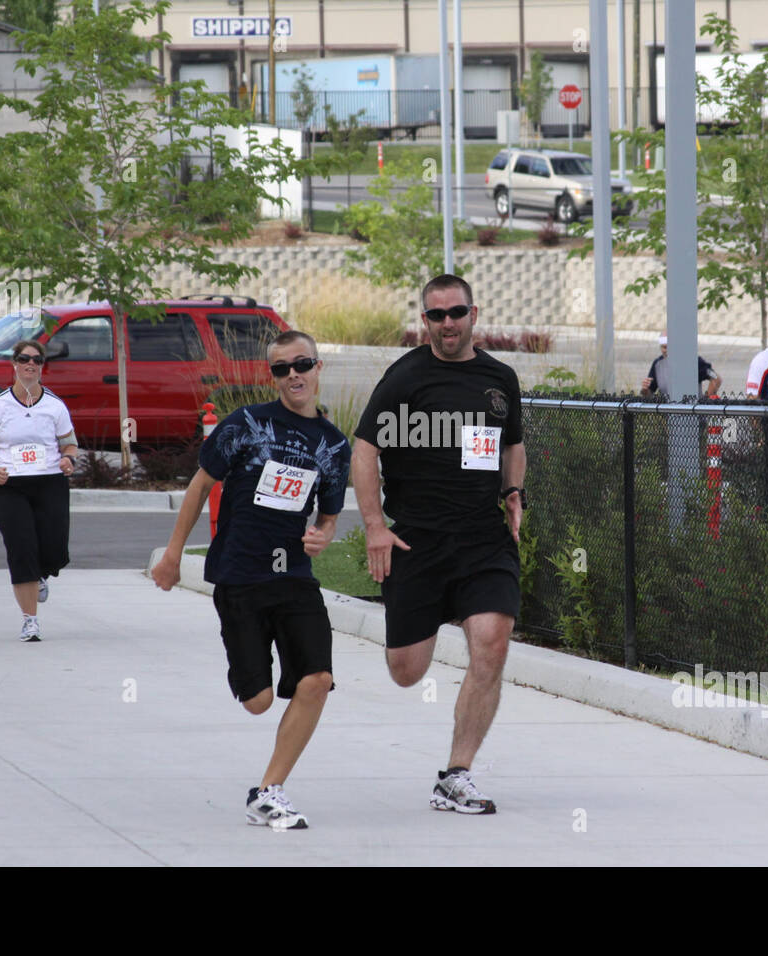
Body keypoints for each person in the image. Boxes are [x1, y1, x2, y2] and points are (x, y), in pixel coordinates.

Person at [153, 330, 351, 831]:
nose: (293, 376)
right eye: (282, 369)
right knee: (259, 701)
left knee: (317, 680)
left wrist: (322, 536)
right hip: (240, 575)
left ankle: (268, 791)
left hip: (294, 577)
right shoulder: (247, 424)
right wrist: (173, 555)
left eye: (301, 364)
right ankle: (246, 676)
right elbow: (201, 484)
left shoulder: (333, 444)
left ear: (317, 366)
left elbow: (328, 515)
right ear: (274, 377)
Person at [353, 273, 525, 815]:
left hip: (481, 538)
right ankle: (429, 618)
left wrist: (514, 490)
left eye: (456, 312)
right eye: (436, 315)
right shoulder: (405, 378)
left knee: (492, 642)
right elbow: (363, 451)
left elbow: (512, 444)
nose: (447, 323)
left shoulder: (500, 379)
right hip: (417, 542)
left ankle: (457, 774)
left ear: (475, 313)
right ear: (424, 320)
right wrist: (375, 525)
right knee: (407, 670)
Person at [0, 340, 78, 643]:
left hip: (49, 482)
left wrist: (68, 458)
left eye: (37, 360)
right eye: (24, 359)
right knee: (21, 548)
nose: (30, 364)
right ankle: (30, 620)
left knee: (54, 549)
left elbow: (69, 443)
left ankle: (43, 573)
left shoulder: (55, 406)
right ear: (14, 364)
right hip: (11, 485)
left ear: (42, 367)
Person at [640, 333, 722, 398]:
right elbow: (649, 395)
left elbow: (716, 378)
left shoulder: (694, 361)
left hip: (693, 415)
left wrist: (705, 401)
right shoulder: (658, 364)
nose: (667, 351)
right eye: (664, 347)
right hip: (668, 415)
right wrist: (645, 390)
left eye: (670, 347)